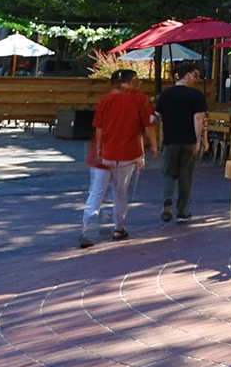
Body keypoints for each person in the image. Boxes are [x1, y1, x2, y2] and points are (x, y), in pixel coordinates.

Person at [80, 68, 156, 248]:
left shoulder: (106, 100)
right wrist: (153, 145)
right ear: (132, 80)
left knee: (97, 191)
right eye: (137, 80)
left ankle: (86, 228)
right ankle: (118, 228)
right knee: (120, 191)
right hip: (129, 154)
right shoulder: (141, 99)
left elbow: (98, 127)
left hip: (105, 154)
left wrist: (99, 147)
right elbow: (148, 126)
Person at [153, 61, 209, 223]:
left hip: (170, 140)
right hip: (188, 141)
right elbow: (198, 118)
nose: (197, 79)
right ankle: (182, 210)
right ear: (187, 74)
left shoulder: (166, 94)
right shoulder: (196, 96)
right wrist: (199, 140)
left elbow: (157, 115)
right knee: (186, 175)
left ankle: (167, 201)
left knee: (167, 173)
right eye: (195, 75)